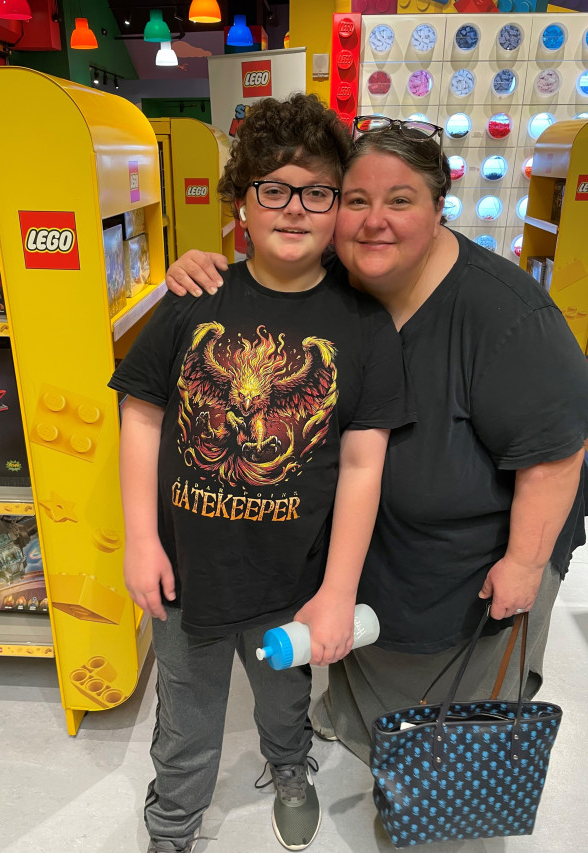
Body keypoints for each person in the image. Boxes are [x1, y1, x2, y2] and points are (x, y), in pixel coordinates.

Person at [163, 114, 588, 766]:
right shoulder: (333, 272)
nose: (372, 220)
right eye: (355, 199)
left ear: (440, 206)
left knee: (449, 722)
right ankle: (356, 724)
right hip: (367, 544)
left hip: (474, 558)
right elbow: (260, 287)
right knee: (365, 656)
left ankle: (431, 789)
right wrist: (203, 267)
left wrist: (526, 563)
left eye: (399, 200)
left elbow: (557, 454)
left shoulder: (507, 317)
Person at [108, 95, 414, 853]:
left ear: (338, 205)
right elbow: (141, 416)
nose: (295, 208)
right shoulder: (191, 299)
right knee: (185, 709)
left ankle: (289, 769)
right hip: (188, 573)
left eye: (317, 192)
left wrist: (339, 589)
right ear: (242, 199)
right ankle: (172, 822)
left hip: (293, 578)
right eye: (273, 188)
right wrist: (140, 540)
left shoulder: (362, 325)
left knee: (285, 698)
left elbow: (362, 460)